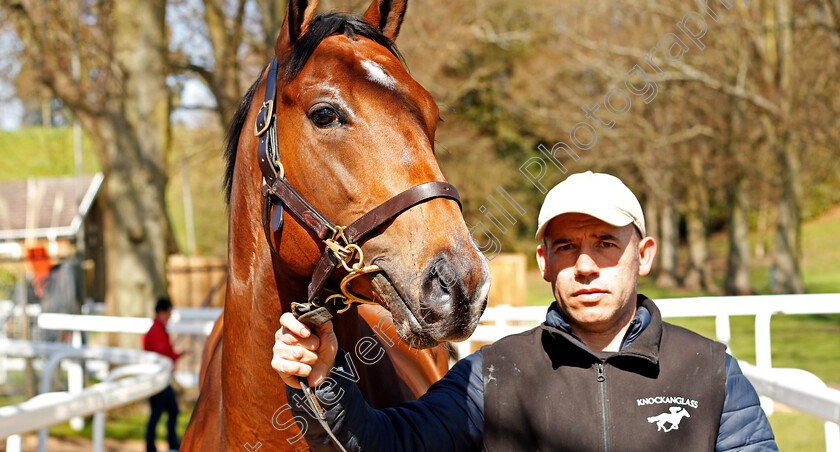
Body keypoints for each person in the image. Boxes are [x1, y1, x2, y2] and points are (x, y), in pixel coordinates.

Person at [271, 171, 778, 451]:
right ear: (543, 262)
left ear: (642, 254)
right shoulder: (492, 376)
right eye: (565, 247)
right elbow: (388, 447)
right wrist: (323, 381)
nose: (584, 266)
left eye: (605, 243)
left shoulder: (710, 372)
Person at [143, 297, 182, 452]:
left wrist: (177, 356)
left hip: (162, 380)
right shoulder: (155, 332)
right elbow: (162, 355)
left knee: (170, 412)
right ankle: (156, 445)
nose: (170, 317)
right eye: (168, 313)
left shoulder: (160, 330)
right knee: (160, 414)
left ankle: (168, 444)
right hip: (157, 380)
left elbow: (166, 353)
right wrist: (175, 357)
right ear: (161, 312)